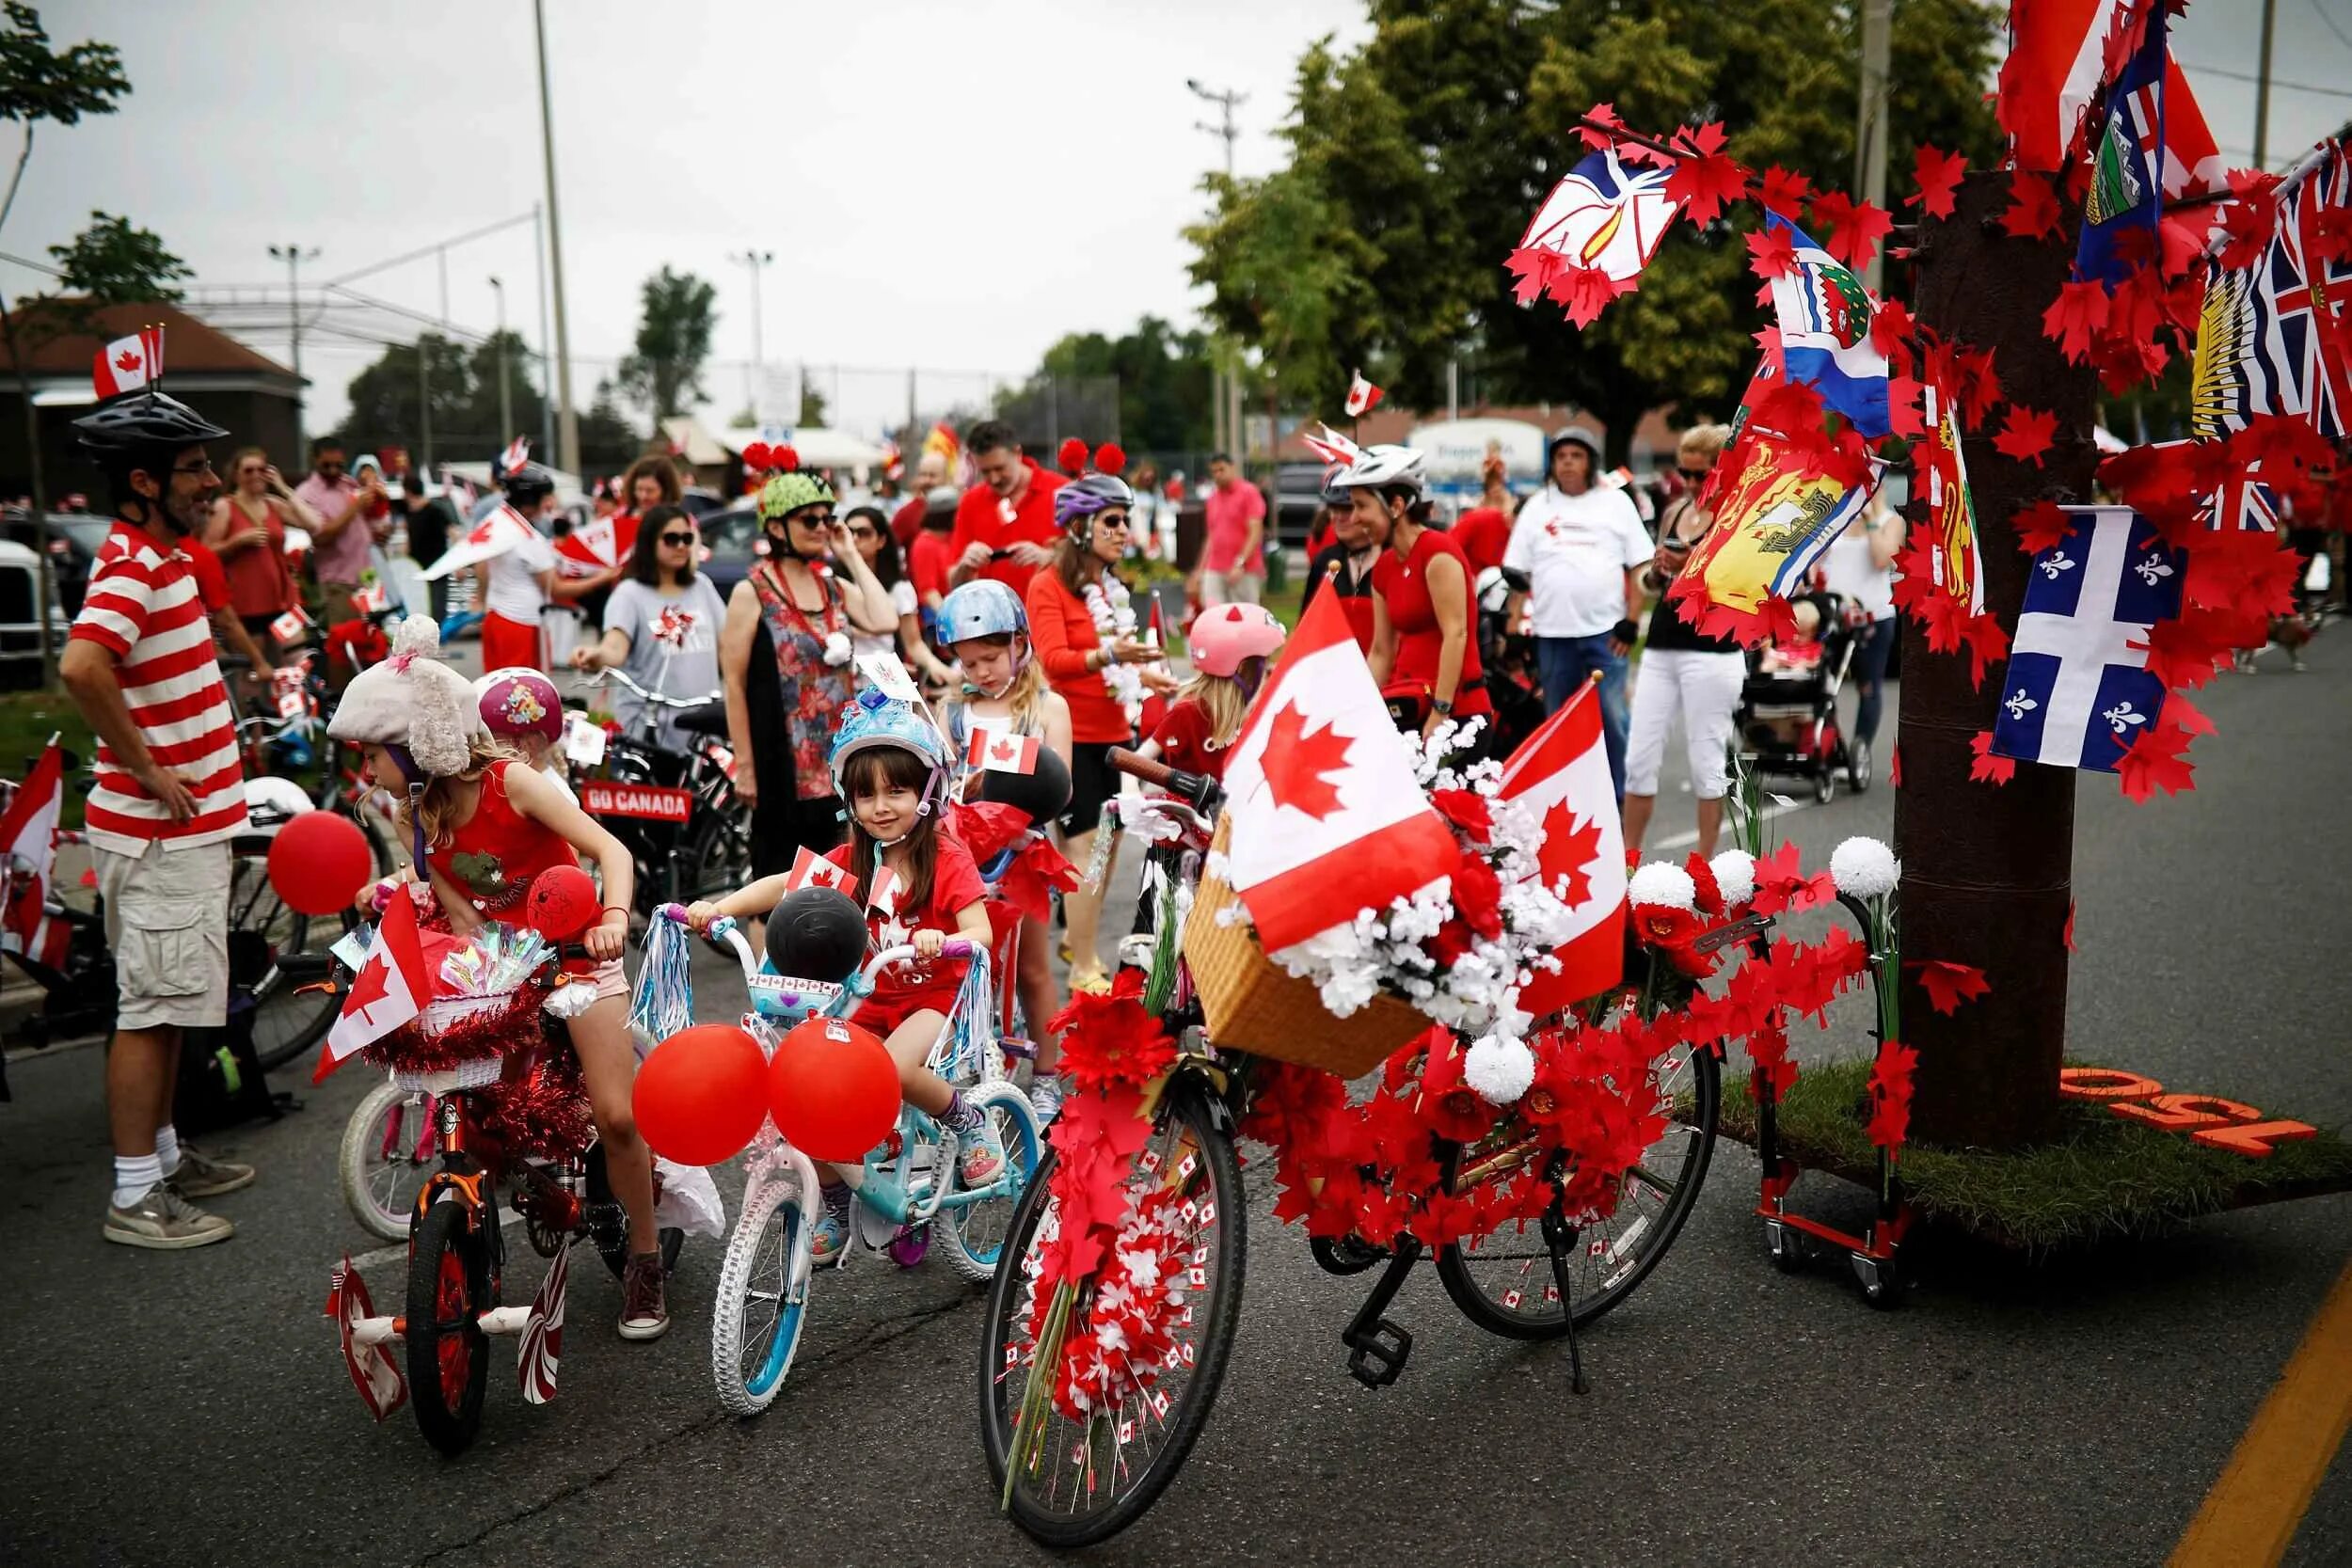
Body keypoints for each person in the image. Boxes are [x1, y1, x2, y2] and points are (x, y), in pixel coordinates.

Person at [329, 617, 668, 1337]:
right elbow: (463, 915)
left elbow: (611, 851)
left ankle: (645, 1264)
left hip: (577, 953)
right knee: (483, 1122)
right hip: (505, 967)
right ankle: (485, 1240)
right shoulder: (411, 814)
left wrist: (612, 916)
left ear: (415, 745)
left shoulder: (511, 782)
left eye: (372, 753)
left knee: (616, 1115)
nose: (366, 771)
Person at [683, 693, 1006, 1263]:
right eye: (865, 795)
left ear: (926, 793)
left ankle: (968, 1119)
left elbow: (980, 928)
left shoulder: (945, 857)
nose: (880, 807)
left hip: (935, 997)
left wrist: (943, 938)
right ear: (847, 800)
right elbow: (783, 884)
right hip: (868, 998)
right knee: (809, 1084)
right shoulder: (853, 860)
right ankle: (835, 1201)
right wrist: (719, 907)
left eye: (896, 791)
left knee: (893, 1069)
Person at [57, 389, 253, 1249]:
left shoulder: (162, 556)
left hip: (180, 833)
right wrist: (146, 768)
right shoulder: (133, 565)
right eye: (195, 468)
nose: (211, 482)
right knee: (149, 1009)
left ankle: (165, 1157)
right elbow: (81, 666)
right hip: (158, 833)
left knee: (171, 1003)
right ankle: (136, 1194)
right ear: (142, 481)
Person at [1026, 465, 1176, 990]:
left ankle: (1079, 937)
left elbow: (1112, 666)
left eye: (1125, 520)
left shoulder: (1108, 586)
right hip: (1071, 738)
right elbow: (1053, 660)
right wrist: (1112, 655)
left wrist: (1146, 676)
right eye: (1112, 520)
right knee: (1085, 847)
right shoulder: (1047, 585)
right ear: (1079, 527)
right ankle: (1084, 964)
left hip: (1113, 734)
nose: (1123, 531)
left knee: (1108, 845)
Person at [719, 453, 898, 881]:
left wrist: (850, 553)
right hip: (782, 766)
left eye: (827, 518)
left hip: (840, 762)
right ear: (776, 527)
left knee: (846, 877)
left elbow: (885, 618)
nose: (821, 528)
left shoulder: (833, 587)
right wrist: (745, 766)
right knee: (781, 881)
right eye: (809, 520)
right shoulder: (752, 592)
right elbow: (734, 683)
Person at [936, 578, 1071, 1088]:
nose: (981, 672)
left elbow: (1061, 786)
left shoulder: (1047, 708)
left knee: (1032, 968)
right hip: (965, 856)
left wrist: (1003, 778)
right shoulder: (954, 711)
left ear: (1019, 644)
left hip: (1023, 855)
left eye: (991, 658)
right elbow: (939, 779)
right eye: (969, 663)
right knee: (963, 964)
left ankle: (1048, 1076)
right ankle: (960, 1070)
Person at [1622, 424, 1747, 858]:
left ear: (1722, 470)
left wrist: (1688, 562)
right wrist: (1657, 572)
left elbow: (1737, 582)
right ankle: (1629, 860)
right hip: (1662, 644)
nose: (1691, 483)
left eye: (1701, 474)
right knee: (1639, 758)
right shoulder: (1676, 510)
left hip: (1712, 648)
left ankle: (1704, 866)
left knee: (1706, 761)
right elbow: (1653, 582)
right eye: (1685, 473)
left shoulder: (1736, 516)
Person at [1504, 426, 1651, 796]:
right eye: (1561, 456)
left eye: (1576, 456)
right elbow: (1518, 574)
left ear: (1590, 462)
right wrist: (1513, 628)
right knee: (1557, 721)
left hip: (1607, 632)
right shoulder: (1537, 507)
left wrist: (1632, 621)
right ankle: (1564, 798)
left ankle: (1620, 796)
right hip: (1552, 633)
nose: (1568, 463)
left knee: (1613, 717)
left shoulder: (1615, 503)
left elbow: (1640, 566)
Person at [1343, 445, 1494, 746]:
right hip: (1406, 707)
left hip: (1456, 713)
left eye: (1361, 506)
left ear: (1396, 506)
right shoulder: (1385, 567)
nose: (1354, 518)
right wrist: (1357, 710)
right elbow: (1381, 652)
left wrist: (1441, 711)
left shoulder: (1437, 553)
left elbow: (1456, 633)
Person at [571, 503, 730, 751]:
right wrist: (596, 655)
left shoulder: (702, 586)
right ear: (649, 543)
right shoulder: (629, 594)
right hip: (648, 726)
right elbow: (615, 647)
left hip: (702, 725)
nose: (681, 546)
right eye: (671, 539)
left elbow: (729, 644)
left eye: (687, 539)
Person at [1140, 602, 1285, 784]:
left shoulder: (1256, 712)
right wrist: (1131, 793)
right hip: (1195, 802)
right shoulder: (1188, 713)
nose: (1269, 671)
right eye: (1264, 664)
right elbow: (1137, 761)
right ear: (1241, 668)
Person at [1820, 484, 1904, 780]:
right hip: (1834, 617)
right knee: (1822, 685)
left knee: (1868, 687)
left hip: (1873, 617)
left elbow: (1882, 560)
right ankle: (1832, 748)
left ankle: (1860, 750)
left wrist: (1869, 520)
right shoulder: (1838, 517)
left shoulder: (1890, 521)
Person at [205, 447, 311, 660]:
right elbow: (206, 553)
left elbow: (313, 523)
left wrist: (283, 488)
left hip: (282, 601)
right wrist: (237, 542)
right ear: (236, 475)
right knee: (253, 672)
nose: (255, 475)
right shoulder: (225, 506)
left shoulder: (273, 504)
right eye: (248, 470)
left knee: (299, 663)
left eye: (261, 469)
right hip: (247, 606)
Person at [947, 420, 1065, 593]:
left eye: (1000, 468)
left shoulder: (1061, 492)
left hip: (1051, 606)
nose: (994, 479)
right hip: (992, 609)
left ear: (1017, 453)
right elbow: (953, 582)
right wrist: (965, 566)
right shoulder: (970, 502)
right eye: (985, 472)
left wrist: (1049, 557)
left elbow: (1090, 562)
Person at [845, 503, 953, 685]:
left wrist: (939, 668)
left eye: (864, 533)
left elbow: (913, 643)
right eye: (849, 533)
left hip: (882, 680)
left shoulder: (899, 588)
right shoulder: (831, 581)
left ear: (881, 540)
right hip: (841, 678)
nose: (854, 539)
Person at [294, 436, 387, 644]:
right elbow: (321, 536)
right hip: (338, 583)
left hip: (367, 578)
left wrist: (377, 530)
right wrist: (355, 507)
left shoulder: (348, 484)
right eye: (327, 465)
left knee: (372, 644)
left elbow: (361, 523)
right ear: (314, 460)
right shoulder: (307, 493)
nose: (334, 470)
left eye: (339, 465)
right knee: (345, 645)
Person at [474, 666, 578, 802]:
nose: (479, 748)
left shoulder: (550, 796)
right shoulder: (509, 786)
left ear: (528, 744)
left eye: (489, 736)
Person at [1189, 452, 1266, 608]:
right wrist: (1199, 570)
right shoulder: (1212, 499)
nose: (1218, 475)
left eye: (1221, 470)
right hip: (1215, 567)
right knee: (1213, 613)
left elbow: (1255, 532)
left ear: (1232, 468)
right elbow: (1211, 537)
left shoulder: (1248, 493)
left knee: (1244, 614)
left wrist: (1240, 563)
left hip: (1244, 569)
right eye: (1214, 471)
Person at [1454, 450, 1516, 576]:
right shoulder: (1477, 509)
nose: (1495, 489)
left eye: (1498, 483)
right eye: (1491, 484)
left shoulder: (1510, 504)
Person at [891, 449, 948, 548]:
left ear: (945, 478)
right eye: (923, 475)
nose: (927, 480)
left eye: (932, 475)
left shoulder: (956, 512)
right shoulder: (907, 513)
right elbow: (889, 548)